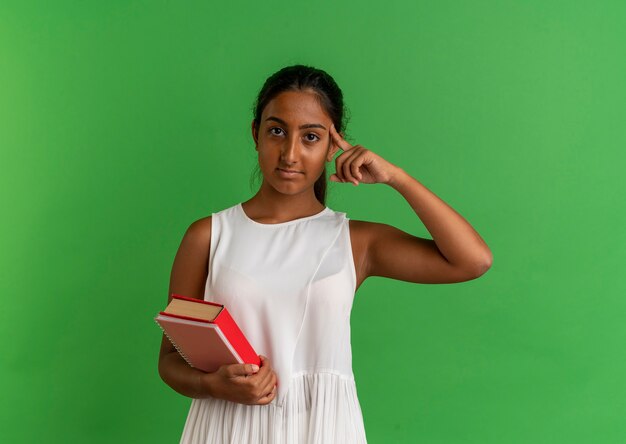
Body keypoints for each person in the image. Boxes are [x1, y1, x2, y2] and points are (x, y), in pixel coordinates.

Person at [158, 64, 493, 443]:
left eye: (311, 137)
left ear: (334, 145)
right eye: (277, 131)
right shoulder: (208, 236)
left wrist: (396, 177)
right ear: (256, 134)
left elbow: (473, 260)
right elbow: (170, 360)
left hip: (324, 430)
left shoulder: (355, 241)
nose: (290, 153)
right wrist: (215, 385)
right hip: (227, 428)